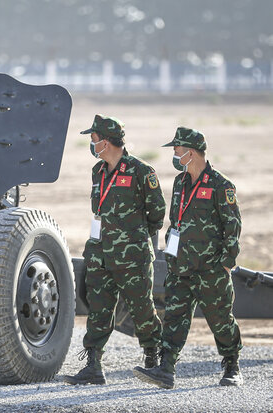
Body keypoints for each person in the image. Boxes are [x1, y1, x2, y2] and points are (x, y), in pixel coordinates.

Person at [133, 127, 243, 389]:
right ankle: (166, 369)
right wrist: (171, 256)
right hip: (181, 267)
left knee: (220, 319)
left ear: (190, 153)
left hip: (211, 270)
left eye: (177, 149)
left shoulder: (221, 185)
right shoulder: (180, 183)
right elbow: (176, 222)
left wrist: (226, 263)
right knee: (174, 318)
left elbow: (233, 228)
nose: (174, 153)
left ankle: (232, 365)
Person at [64, 114, 165, 385]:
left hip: (132, 257)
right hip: (100, 253)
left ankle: (153, 359)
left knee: (142, 307)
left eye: (94, 139)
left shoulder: (141, 171)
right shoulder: (97, 172)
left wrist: (134, 235)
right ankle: (94, 366)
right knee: (99, 309)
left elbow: (157, 213)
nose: (92, 144)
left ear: (106, 142)